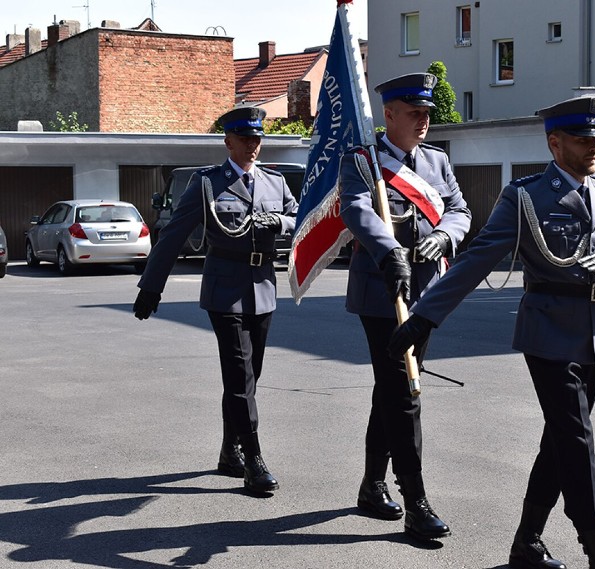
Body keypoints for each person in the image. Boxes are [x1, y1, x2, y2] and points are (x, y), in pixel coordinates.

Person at [389, 96, 595, 568]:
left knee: (558, 441)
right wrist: (424, 316)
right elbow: (475, 260)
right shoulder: (526, 196)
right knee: (576, 440)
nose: (592, 147)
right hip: (549, 334)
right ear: (555, 144)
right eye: (581, 139)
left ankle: (526, 544)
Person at [133, 106, 298, 495]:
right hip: (225, 288)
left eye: (257, 139)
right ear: (228, 142)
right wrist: (150, 288)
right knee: (240, 375)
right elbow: (173, 235)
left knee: (249, 377)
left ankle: (229, 451)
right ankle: (253, 460)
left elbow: (299, 216)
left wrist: (280, 223)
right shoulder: (207, 183)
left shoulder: (274, 182)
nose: (252, 146)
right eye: (244, 139)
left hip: (263, 286)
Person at [337, 72, 472, 541]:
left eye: (428, 114)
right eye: (415, 113)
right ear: (389, 114)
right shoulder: (362, 160)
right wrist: (388, 250)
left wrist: (444, 235)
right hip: (383, 293)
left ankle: (373, 485)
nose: (424, 121)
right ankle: (415, 500)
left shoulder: (436, 161)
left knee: (389, 393)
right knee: (404, 393)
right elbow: (354, 208)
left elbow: (460, 209)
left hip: (427, 291)